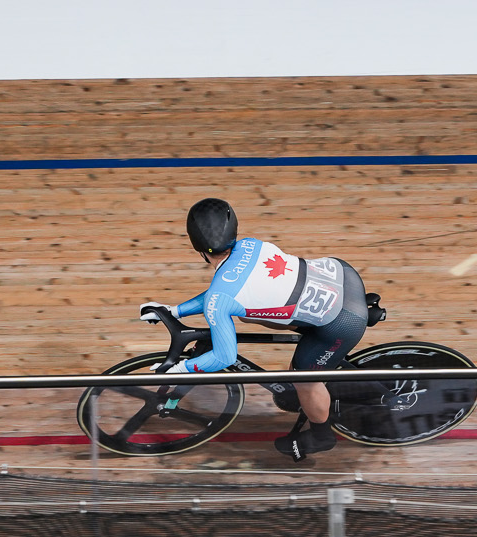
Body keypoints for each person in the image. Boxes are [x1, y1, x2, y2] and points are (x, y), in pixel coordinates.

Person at [139, 198, 371, 462]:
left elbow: (224, 357)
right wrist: (175, 310)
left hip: (343, 320)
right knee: (248, 313)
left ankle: (321, 436)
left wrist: (182, 369)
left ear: (195, 245)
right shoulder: (252, 245)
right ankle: (312, 331)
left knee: (304, 378)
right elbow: (226, 294)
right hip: (341, 274)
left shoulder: (220, 298)